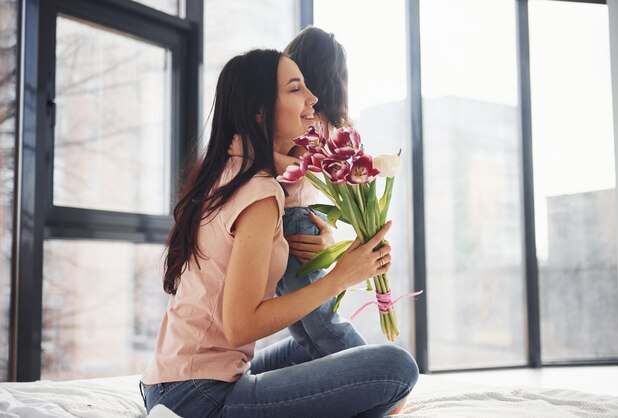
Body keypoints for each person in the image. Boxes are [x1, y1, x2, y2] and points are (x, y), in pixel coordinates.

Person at [139, 48, 418, 417]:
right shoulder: (259, 192)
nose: (313, 99)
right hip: (199, 398)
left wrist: (332, 248)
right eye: (295, 89)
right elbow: (241, 326)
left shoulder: (228, 171)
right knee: (397, 368)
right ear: (259, 111)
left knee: (315, 347)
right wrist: (338, 278)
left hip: (172, 382)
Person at [229, 26, 367, 358]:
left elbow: (298, 167)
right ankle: (355, 377)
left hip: (295, 219)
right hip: (301, 218)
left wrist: (246, 151)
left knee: (316, 320)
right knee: (309, 324)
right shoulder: (330, 124)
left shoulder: (307, 120)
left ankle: (369, 368)